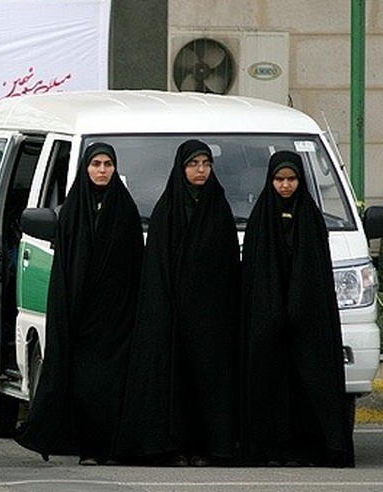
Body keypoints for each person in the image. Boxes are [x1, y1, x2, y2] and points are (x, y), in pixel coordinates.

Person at [16, 143, 144, 465]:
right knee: (85, 386)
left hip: (116, 318)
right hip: (81, 317)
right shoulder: (72, 211)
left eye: (108, 164)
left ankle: (112, 448)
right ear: (86, 169)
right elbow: (65, 269)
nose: (102, 170)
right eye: (96, 164)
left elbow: (134, 266)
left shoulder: (125, 211)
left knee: (113, 385)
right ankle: (87, 448)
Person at [117, 139, 240, 467]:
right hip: (173, 313)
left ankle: (205, 447)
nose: (200, 170)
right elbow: (157, 265)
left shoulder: (219, 207)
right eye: (193, 164)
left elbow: (228, 264)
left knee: (206, 382)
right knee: (174, 382)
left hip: (210, 317)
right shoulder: (168, 210)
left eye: (206, 164)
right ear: (181, 167)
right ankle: (174, 447)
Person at [240, 150, 354, 467]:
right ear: (270, 180)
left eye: (291, 179)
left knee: (308, 386)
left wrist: (300, 307)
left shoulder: (312, 219)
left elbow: (315, 273)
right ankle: (270, 450)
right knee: (271, 386)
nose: (286, 186)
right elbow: (255, 274)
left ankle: (310, 448)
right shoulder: (260, 221)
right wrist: (271, 310)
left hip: (308, 323)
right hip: (268, 323)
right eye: (279, 179)